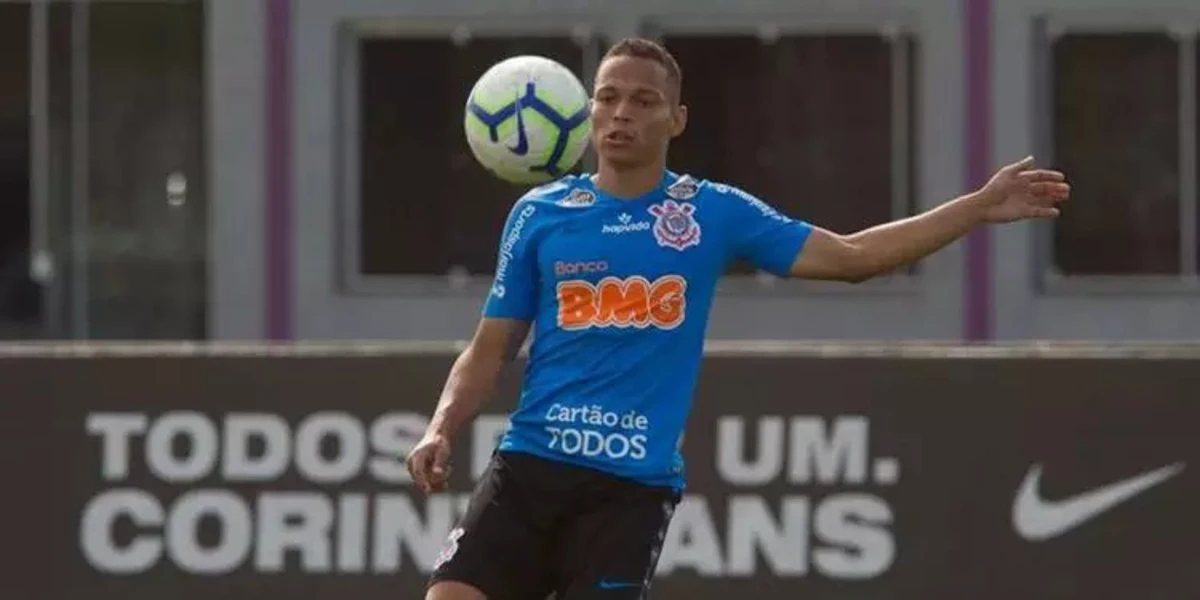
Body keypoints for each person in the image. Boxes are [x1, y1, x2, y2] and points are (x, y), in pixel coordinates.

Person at [407, 37, 1070, 600]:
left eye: (643, 101)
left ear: (677, 119)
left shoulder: (711, 213)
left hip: (627, 490)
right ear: (586, 113)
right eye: (607, 97)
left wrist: (977, 208)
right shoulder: (540, 214)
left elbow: (854, 257)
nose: (621, 114)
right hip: (530, 468)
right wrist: (441, 428)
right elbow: (489, 350)